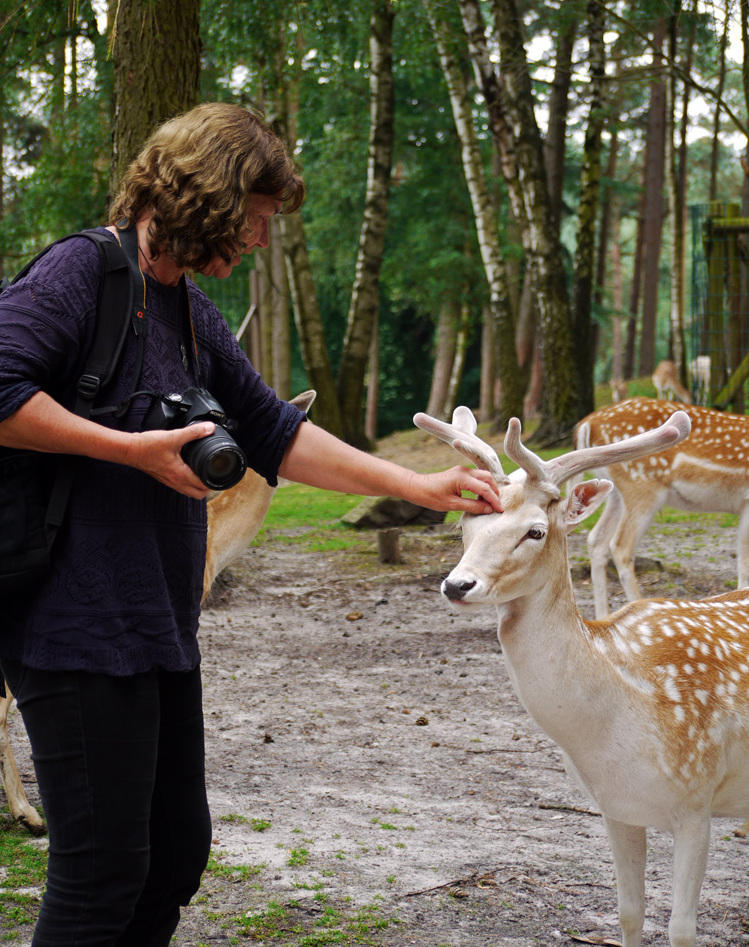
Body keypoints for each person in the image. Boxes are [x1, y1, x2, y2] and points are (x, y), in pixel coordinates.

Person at [0, 102, 501, 947]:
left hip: (156, 624)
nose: (263, 238)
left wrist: (421, 482)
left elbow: (276, 430)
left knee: (173, 856)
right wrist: (128, 449)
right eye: (259, 217)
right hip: (72, 626)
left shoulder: (186, 309)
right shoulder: (82, 274)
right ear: (212, 197)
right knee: (101, 871)